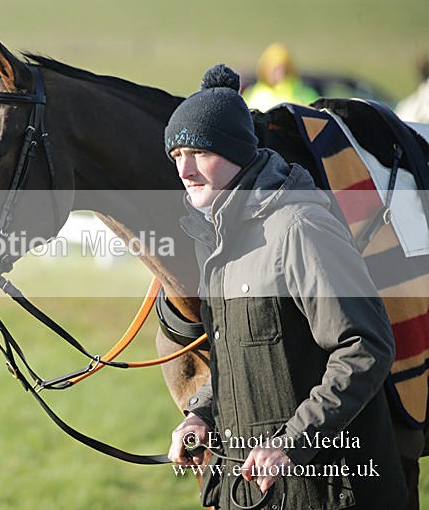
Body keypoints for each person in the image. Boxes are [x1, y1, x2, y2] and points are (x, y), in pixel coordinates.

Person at [165, 64, 408, 508]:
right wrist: (200, 415)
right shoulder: (216, 242)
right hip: (255, 493)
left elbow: (365, 347)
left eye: (198, 151)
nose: (185, 169)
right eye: (176, 155)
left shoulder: (300, 227)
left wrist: (292, 443)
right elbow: (238, 362)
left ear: (236, 150)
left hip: (330, 493)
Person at [242, 42, 319, 111]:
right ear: (265, 70)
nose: (279, 74)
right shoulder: (254, 95)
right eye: (275, 70)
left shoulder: (305, 94)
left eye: (283, 68)